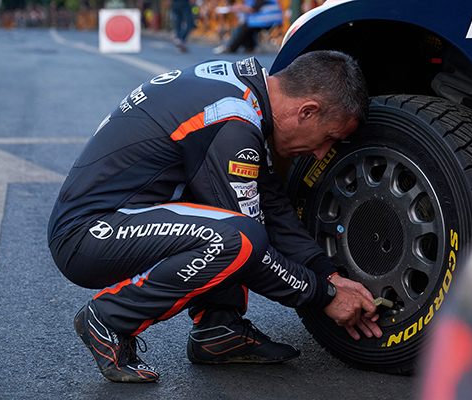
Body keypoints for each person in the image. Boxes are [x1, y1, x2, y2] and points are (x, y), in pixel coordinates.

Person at [47, 50, 380, 383]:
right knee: (240, 239)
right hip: (88, 234)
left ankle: (219, 328)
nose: (321, 153)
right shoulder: (233, 122)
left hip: (112, 220)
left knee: (235, 216)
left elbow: (271, 206)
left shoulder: (244, 92)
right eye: (328, 139)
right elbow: (254, 252)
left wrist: (327, 274)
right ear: (307, 111)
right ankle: (109, 319)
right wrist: (324, 295)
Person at [213, 0, 282, 54]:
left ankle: (231, 47)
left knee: (245, 28)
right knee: (246, 27)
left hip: (268, 20)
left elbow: (252, 10)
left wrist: (240, 8)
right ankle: (249, 47)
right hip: (266, 19)